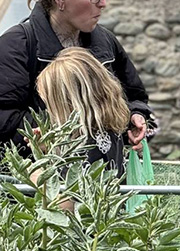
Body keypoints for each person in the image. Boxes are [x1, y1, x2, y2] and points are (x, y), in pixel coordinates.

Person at [0, 0, 153, 173]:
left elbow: (135, 96)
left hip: (104, 188)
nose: (103, 2)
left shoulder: (106, 43)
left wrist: (136, 117)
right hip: (34, 194)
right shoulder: (12, 49)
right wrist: (53, 135)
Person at [33, 47, 131, 179]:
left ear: (68, 104)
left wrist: (36, 177)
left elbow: (69, 197)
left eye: (51, 103)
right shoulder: (108, 132)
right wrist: (50, 146)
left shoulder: (84, 149)